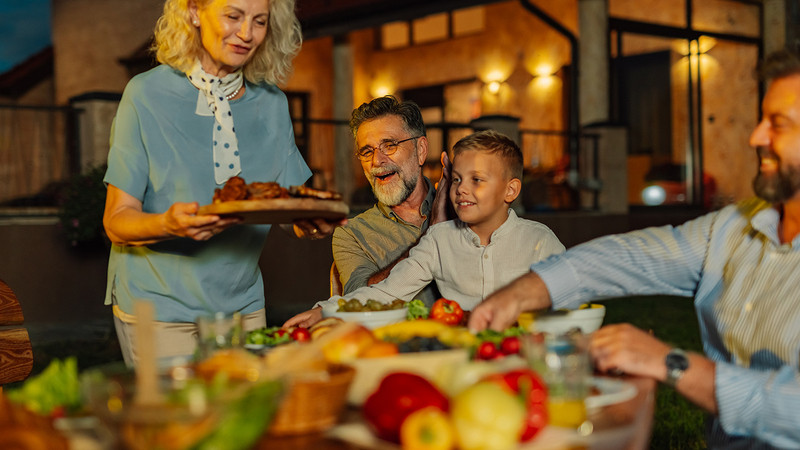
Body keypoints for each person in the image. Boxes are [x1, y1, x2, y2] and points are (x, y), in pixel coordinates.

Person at [469, 50, 800, 448]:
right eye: (762, 120)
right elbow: (634, 256)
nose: (756, 137)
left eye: (778, 124)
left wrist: (671, 363)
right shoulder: (736, 225)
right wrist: (524, 291)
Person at [103, 0, 338, 366]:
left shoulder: (273, 103)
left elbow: (286, 206)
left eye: (259, 21)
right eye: (233, 15)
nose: (246, 33)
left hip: (242, 305)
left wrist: (311, 223)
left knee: (247, 402)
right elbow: (117, 220)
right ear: (194, 11)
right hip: (158, 305)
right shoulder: (145, 94)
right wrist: (168, 224)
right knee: (180, 406)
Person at [285, 130, 565, 327]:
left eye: (476, 180)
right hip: (459, 354)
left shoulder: (539, 240)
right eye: (456, 179)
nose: (461, 189)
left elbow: (567, 301)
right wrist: (326, 310)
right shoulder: (439, 240)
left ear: (510, 190)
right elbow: (387, 292)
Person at [331, 95, 450, 306]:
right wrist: (434, 232)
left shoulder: (463, 210)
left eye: (390, 145)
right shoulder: (351, 234)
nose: (377, 160)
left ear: (421, 150)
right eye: (367, 151)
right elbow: (361, 303)